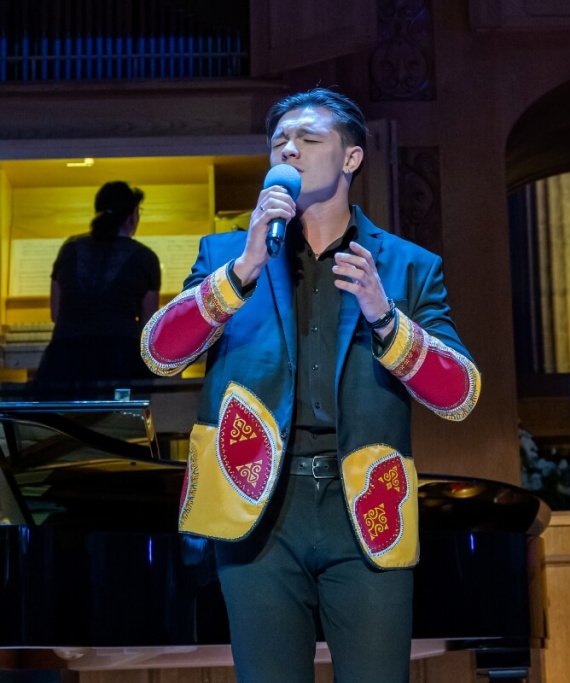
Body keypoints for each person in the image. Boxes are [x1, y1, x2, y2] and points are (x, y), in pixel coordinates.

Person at [140, 87, 480, 682]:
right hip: (256, 506)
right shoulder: (226, 253)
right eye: (280, 141)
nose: (289, 150)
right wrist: (242, 270)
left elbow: (459, 395)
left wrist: (385, 317)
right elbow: (160, 354)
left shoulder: (406, 265)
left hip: (366, 506)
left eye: (309, 139)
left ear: (351, 158)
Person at [33, 181, 160, 395]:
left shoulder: (69, 249)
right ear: (133, 216)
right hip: (120, 362)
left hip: (64, 362)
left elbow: (55, 313)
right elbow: (148, 326)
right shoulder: (145, 257)